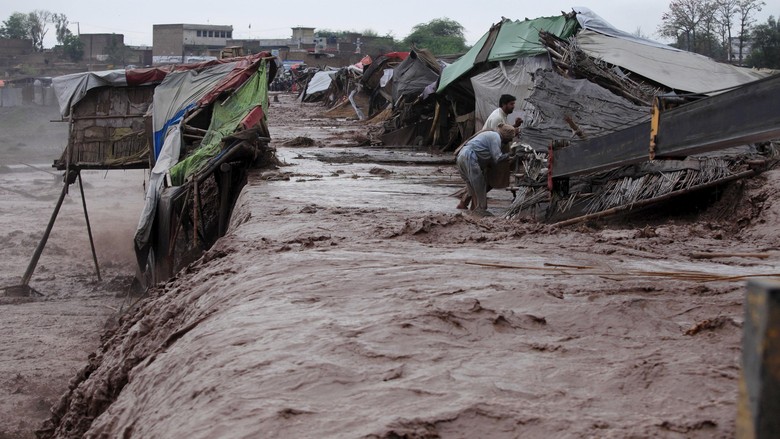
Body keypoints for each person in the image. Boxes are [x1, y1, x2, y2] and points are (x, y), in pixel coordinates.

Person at [456, 124, 516, 216]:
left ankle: (472, 213)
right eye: (510, 139)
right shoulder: (495, 137)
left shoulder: (491, 135)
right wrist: (511, 154)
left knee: (473, 189)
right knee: (480, 187)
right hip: (469, 157)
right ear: (506, 136)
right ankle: (480, 211)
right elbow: (497, 158)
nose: (510, 141)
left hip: (462, 156)